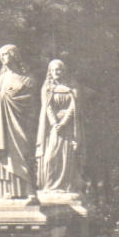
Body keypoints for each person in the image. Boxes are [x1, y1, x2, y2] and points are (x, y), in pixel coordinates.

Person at [0, 45, 38, 200]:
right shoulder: (0, 80)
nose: (3, 57)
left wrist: (5, 98)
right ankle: (6, 191)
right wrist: (1, 98)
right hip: (0, 125)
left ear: (14, 55)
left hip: (19, 124)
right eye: (0, 55)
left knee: (22, 154)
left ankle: (28, 189)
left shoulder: (27, 79)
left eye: (6, 54)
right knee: (5, 155)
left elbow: (30, 102)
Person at [35, 59, 82, 194]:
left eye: (59, 69)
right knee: (50, 157)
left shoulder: (73, 87)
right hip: (52, 128)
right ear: (49, 72)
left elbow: (74, 107)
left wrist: (63, 123)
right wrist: (55, 123)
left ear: (64, 71)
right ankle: (49, 186)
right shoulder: (46, 88)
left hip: (68, 128)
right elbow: (47, 106)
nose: (56, 72)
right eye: (53, 70)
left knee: (66, 157)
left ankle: (65, 186)